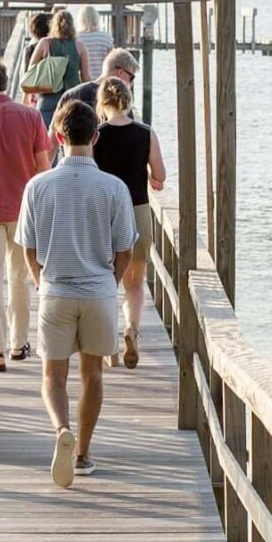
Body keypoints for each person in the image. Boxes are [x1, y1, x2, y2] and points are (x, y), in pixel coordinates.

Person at [15, 98, 135, 486]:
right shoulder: (114, 188)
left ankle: (60, 430)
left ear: (57, 136)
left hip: (56, 291)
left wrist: (40, 281)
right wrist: (109, 284)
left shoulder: (37, 187)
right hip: (99, 291)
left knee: (53, 377)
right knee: (93, 375)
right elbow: (125, 249)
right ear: (95, 137)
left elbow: (29, 248)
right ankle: (82, 454)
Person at [0, 56, 50, 370]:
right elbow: (44, 168)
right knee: (19, 280)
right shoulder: (31, 116)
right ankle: (19, 345)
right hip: (24, 212)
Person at [92, 74, 166, 370]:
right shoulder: (145, 133)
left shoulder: (96, 135)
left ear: (102, 102)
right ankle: (132, 330)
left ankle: (109, 346)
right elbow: (160, 176)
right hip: (137, 213)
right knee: (134, 285)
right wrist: (149, 176)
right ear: (127, 100)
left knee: (106, 283)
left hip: (104, 215)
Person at [25, 6, 84, 128]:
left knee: (45, 140)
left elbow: (31, 70)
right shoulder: (79, 45)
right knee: (68, 138)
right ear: (72, 26)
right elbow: (85, 76)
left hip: (47, 97)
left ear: (53, 25)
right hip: (72, 98)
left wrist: (28, 94)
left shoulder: (45, 43)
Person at [76, 6, 112, 83]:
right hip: (102, 82)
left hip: (82, 84)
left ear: (81, 20)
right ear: (97, 19)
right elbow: (111, 64)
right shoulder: (107, 37)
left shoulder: (76, 38)